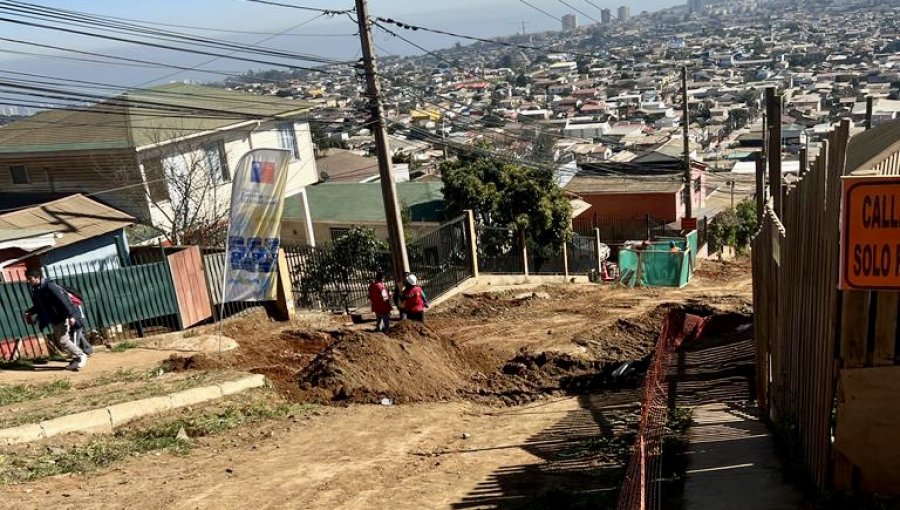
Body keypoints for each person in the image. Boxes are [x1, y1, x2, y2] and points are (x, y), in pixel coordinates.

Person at [22, 268, 88, 371]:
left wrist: (71, 315)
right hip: (54, 318)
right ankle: (76, 359)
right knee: (62, 341)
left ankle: (81, 355)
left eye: (30, 279)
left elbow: (64, 301)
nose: (28, 281)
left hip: (61, 316)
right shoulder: (37, 289)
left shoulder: (50, 286)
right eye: (28, 279)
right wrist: (30, 311)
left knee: (63, 340)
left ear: (37, 277)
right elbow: (39, 305)